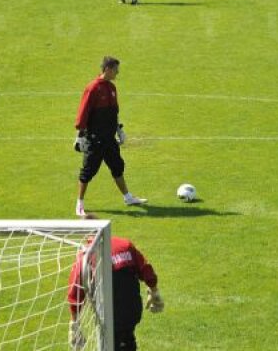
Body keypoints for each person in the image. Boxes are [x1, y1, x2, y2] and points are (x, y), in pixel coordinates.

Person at [74, 56, 147, 217]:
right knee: (88, 171)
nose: (117, 73)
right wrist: (80, 136)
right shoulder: (92, 88)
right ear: (107, 69)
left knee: (117, 167)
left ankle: (128, 197)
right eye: (115, 69)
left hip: (109, 138)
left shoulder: (112, 88)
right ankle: (79, 203)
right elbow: (83, 112)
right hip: (95, 139)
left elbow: (113, 112)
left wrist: (119, 130)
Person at [68, 234, 163, 351]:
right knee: (127, 339)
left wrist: (74, 322)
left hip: (108, 315)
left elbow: (75, 290)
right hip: (132, 310)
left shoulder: (87, 254)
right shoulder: (126, 245)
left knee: (113, 343)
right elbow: (145, 268)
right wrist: (154, 290)